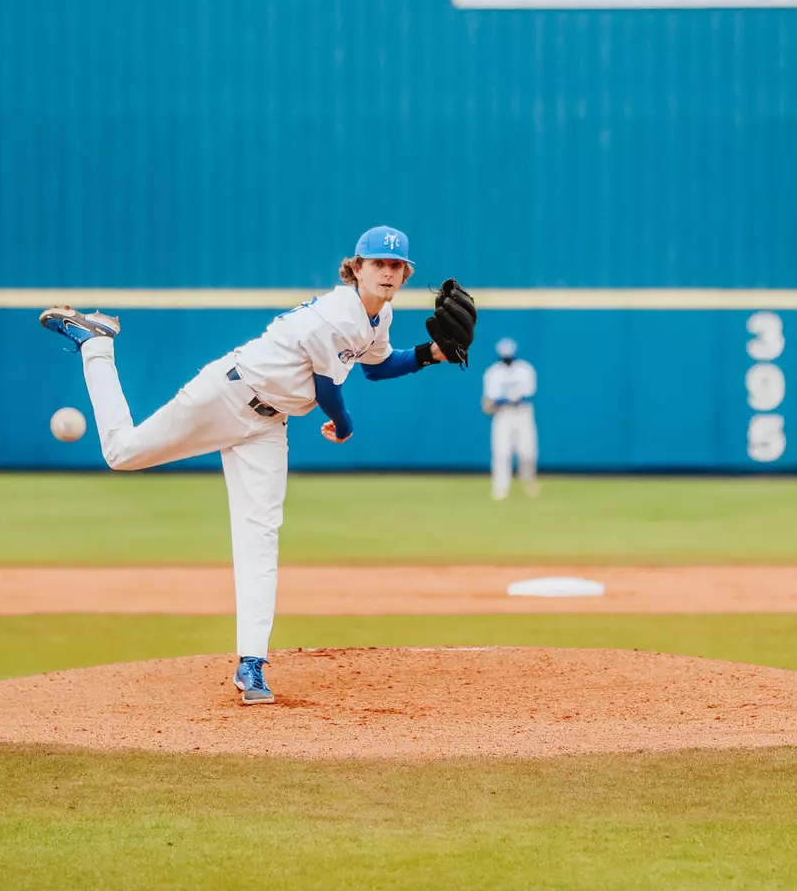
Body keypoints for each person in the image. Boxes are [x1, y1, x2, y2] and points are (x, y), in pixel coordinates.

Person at [40, 226, 475, 705]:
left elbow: (377, 365)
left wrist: (432, 354)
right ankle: (96, 345)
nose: (388, 272)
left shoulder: (377, 316)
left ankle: (252, 664)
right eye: (379, 264)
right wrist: (344, 425)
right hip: (226, 394)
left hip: (269, 426)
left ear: (406, 274)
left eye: (397, 266)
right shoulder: (337, 313)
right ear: (357, 268)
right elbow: (330, 391)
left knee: (261, 535)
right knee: (122, 453)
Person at [482, 337, 538, 499]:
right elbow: (489, 400)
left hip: (522, 413)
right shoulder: (493, 372)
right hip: (503, 414)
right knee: (501, 452)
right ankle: (500, 487)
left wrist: (510, 398)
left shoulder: (524, 369)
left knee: (527, 452)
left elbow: (527, 393)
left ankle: (529, 483)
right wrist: (492, 404)